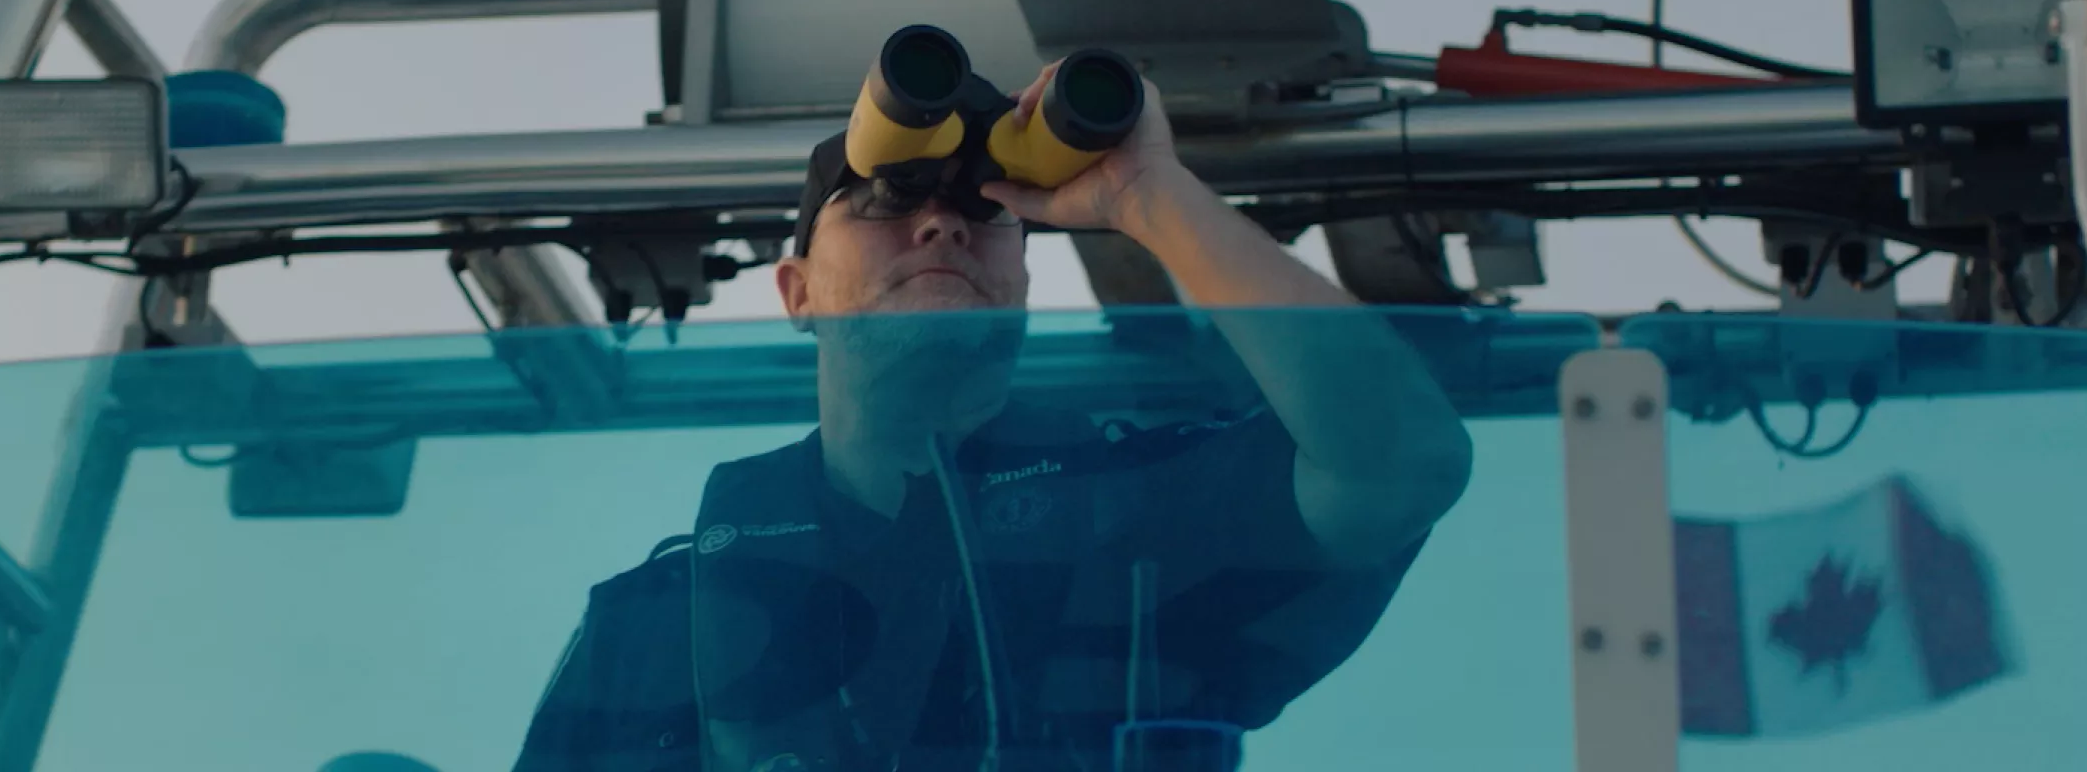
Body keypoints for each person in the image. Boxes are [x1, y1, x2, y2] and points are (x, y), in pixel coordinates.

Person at [512, 63, 1475, 772]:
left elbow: (1406, 465)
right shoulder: (653, 622)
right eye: (883, 200)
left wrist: (1150, 196)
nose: (943, 223)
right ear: (796, 291)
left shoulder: (1149, 512)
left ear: (1021, 277)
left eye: (986, 208)